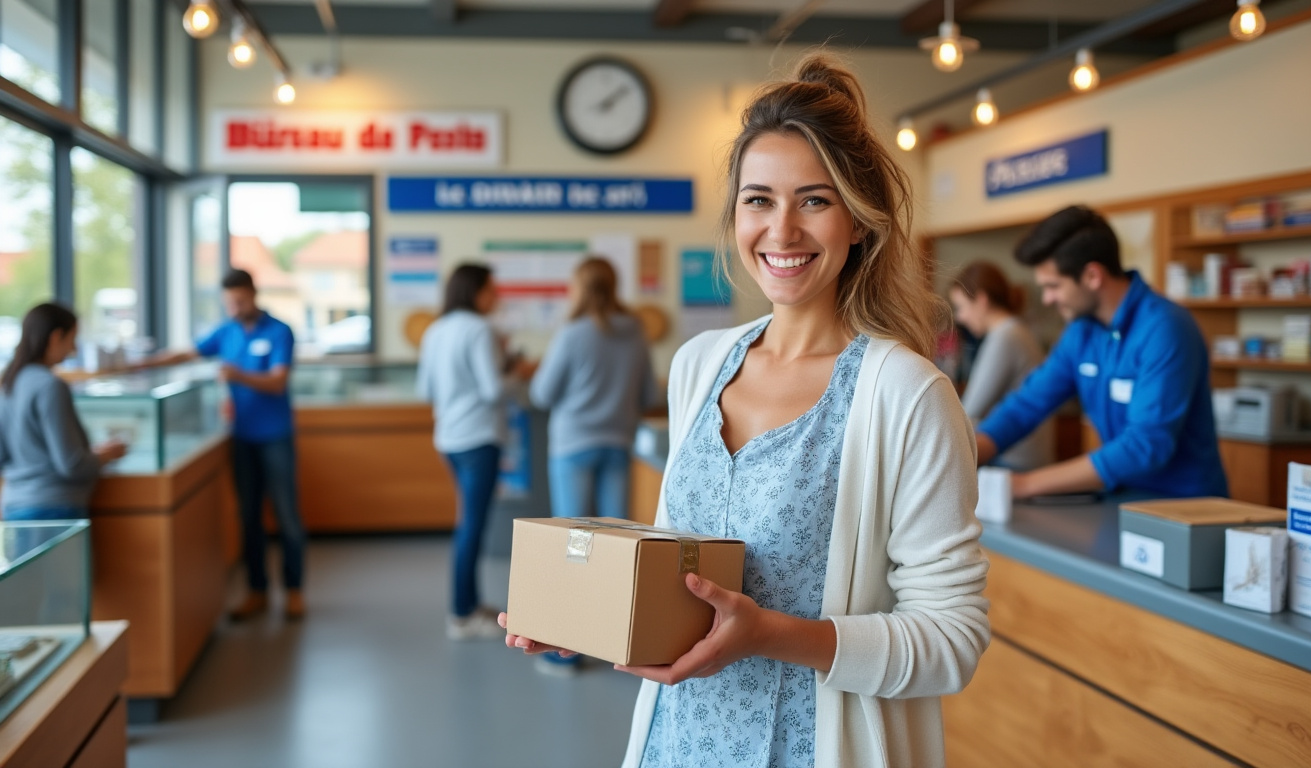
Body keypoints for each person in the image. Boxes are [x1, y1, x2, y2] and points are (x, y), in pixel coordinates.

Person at [503, 54, 989, 767]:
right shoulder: (701, 365)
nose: (782, 230)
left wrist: (769, 634)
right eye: (759, 200)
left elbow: (952, 640)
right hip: (681, 741)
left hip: (817, 746)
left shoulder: (907, 394)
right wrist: (595, 615)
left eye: (815, 201)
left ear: (858, 221)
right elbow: (677, 575)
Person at [975, 205, 1229, 499]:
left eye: (1053, 286)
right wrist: (965, 457)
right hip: (1121, 498)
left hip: (1184, 508)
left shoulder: (1165, 328)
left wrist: (1021, 485)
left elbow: (1145, 445)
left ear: (1093, 276)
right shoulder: (1081, 333)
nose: (1046, 299)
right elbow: (1027, 405)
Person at [147, 269, 306, 621]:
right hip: (241, 437)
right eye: (229, 302)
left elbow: (278, 383)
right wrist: (138, 364)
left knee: (287, 516)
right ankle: (257, 591)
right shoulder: (226, 331)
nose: (234, 307)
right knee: (248, 516)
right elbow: (188, 354)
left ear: (253, 293)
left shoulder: (280, 331)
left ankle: (294, 591)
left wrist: (236, 374)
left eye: (240, 300)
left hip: (275, 436)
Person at [527, 256, 660, 674]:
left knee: (575, 546)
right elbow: (648, 393)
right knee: (615, 546)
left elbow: (542, 394)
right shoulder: (636, 332)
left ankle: (564, 650)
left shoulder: (572, 334)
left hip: (573, 448)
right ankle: (615, 641)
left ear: (579, 288)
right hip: (617, 444)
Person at [417, 263, 527, 641]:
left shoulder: (435, 330)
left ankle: (469, 602)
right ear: (476, 291)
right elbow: (493, 391)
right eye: (491, 289)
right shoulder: (480, 329)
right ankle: (461, 615)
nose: (496, 296)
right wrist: (516, 372)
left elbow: (425, 390)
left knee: (469, 522)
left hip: (448, 438)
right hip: (479, 438)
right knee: (472, 526)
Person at [0, 303, 126, 521]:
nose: (74, 349)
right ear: (56, 336)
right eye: (72, 338)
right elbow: (72, 465)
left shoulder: (8, 383)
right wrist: (106, 454)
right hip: (54, 507)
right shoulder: (50, 385)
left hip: (14, 505)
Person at [948, 261, 1054, 471]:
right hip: (1022, 457)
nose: (960, 317)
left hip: (1013, 461)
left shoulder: (1005, 336)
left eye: (961, 307)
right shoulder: (1017, 330)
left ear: (981, 300)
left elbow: (970, 410)